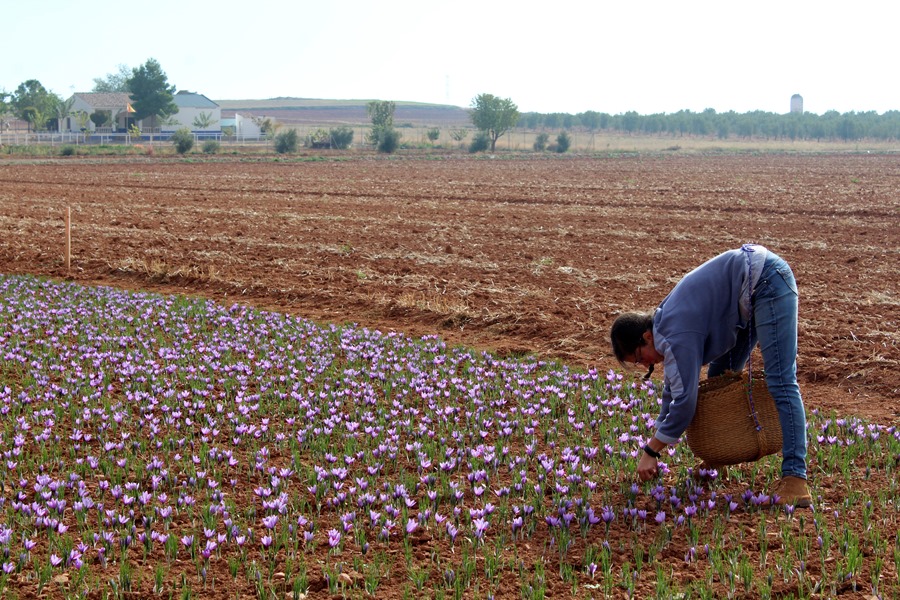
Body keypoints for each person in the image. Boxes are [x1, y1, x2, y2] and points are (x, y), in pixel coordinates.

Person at [610, 244, 811, 507]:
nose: (645, 364)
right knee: (719, 378)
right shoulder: (664, 328)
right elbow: (673, 390)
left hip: (766, 279)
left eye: (639, 358)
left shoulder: (674, 334)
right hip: (746, 291)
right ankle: (718, 460)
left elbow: (684, 403)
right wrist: (658, 436)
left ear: (646, 337)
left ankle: (796, 478)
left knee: (781, 380)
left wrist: (651, 450)